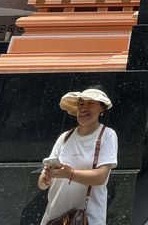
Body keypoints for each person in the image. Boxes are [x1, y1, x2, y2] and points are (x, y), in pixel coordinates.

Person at [38, 87, 118, 225]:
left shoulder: (107, 135)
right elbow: (42, 184)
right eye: (81, 104)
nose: (84, 108)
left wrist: (70, 174)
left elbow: (101, 177)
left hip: (88, 219)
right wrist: (46, 177)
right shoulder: (65, 137)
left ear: (102, 108)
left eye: (90, 103)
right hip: (54, 217)